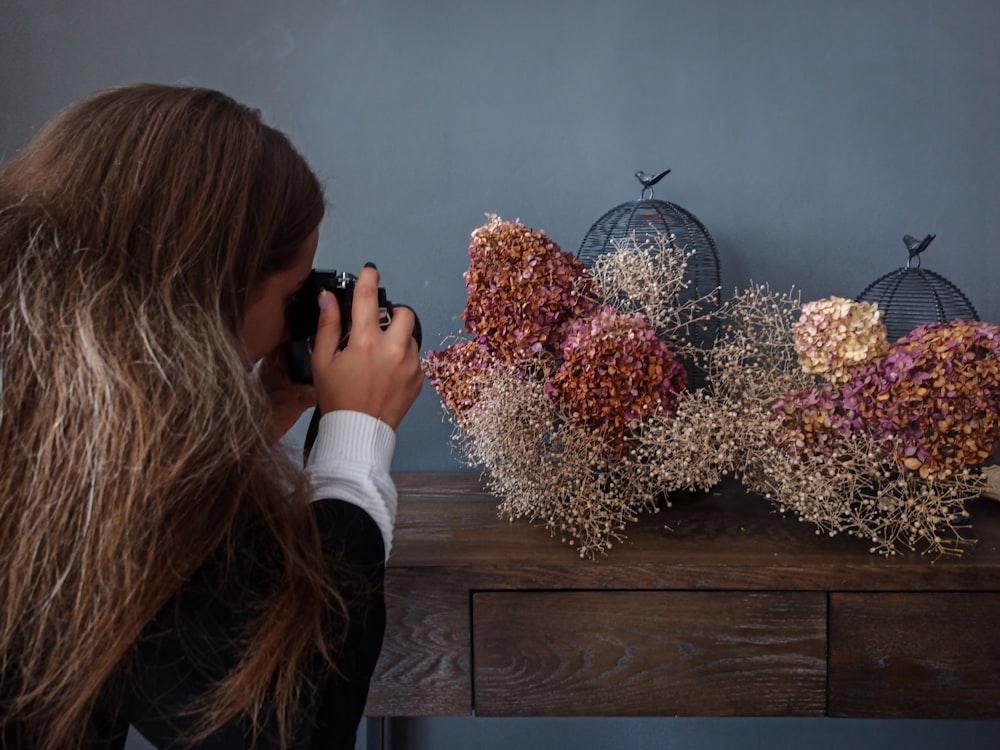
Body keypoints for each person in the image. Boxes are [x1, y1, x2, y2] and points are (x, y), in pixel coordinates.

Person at [0, 84, 423, 749]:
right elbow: (283, 729)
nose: (297, 315)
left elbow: (151, 577)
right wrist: (356, 440)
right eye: (292, 294)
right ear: (208, 302)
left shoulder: (43, 433)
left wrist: (256, 415)